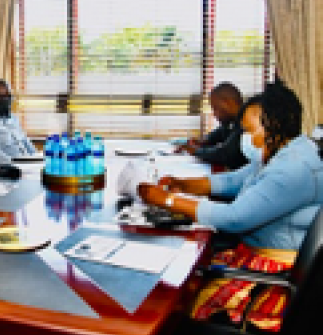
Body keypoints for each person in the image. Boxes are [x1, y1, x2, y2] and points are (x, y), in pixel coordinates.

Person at [138, 82, 323, 250]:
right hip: (254, 244)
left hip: (272, 259)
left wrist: (167, 200)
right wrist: (182, 184)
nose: (245, 138)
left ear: (273, 125)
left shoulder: (293, 169)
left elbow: (235, 218)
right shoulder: (284, 151)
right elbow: (233, 180)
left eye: (249, 131)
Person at [178, 82, 248, 170]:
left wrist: (195, 151)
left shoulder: (247, 122)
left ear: (229, 103)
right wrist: (201, 142)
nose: (214, 114)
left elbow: (224, 154)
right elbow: (217, 134)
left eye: (215, 108)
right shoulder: (230, 122)